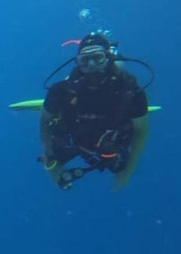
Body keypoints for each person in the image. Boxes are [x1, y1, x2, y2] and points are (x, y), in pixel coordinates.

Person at [39, 32, 152, 191]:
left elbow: (141, 131)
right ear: (78, 62)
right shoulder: (61, 91)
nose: (91, 64)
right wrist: (50, 160)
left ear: (108, 57)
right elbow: (45, 122)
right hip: (75, 139)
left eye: (97, 57)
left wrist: (128, 172)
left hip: (111, 142)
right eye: (85, 59)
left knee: (117, 160)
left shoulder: (131, 91)